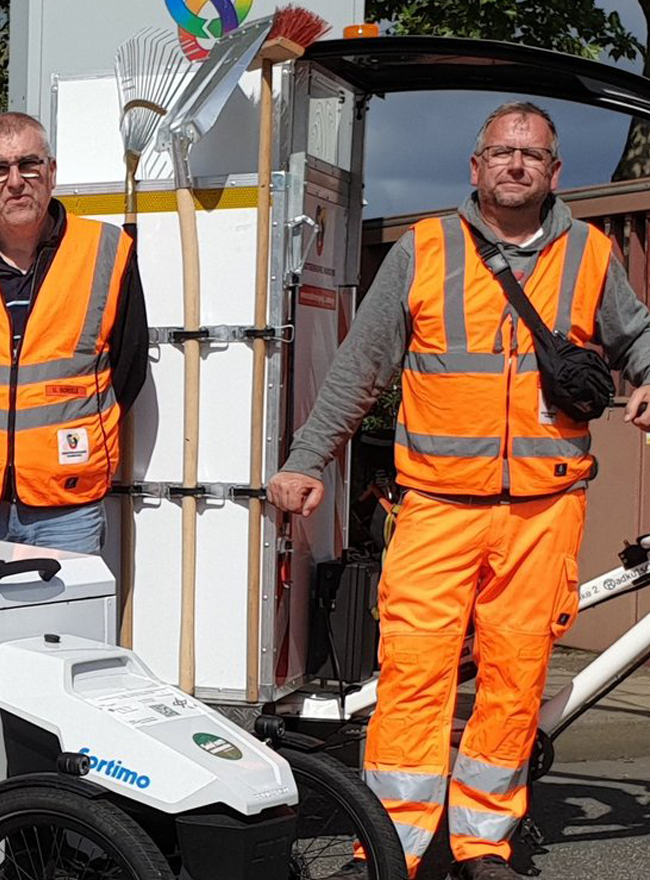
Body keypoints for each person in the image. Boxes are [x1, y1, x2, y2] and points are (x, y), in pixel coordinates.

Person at [269, 102, 650, 880]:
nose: (516, 165)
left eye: (533, 155)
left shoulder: (589, 254)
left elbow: (637, 333)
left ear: (554, 171)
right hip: (438, 508)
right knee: (413, 677)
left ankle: (484, 843)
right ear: (474, 167)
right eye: (502, 153)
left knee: (515, 679)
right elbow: (359, 369)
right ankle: (390, 849)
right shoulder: (425, 251)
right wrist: (308, 460)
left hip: (544, 510)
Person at [0, 111, 148, 554]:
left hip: (66, 501)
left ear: (51, 173)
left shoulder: (107, 251)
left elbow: (129, 367)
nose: (15, 181)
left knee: (62, 625)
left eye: (28, 164)